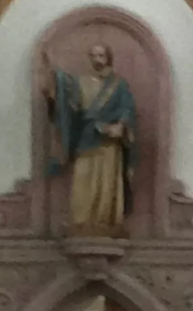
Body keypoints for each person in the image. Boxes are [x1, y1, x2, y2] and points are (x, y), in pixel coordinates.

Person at [41, 41, 137, 229]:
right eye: (93, 55)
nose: (97, 60)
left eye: (100, 55)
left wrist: (120, 126)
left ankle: (105, 221)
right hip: (87, 137)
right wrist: (52, 72)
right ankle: (81, 220)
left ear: (108, 58)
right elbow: (67, 98)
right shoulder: (81, 82)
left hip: (110, 141)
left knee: (106, 181)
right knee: (83, 178)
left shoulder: (118, 84)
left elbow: (128, 109)